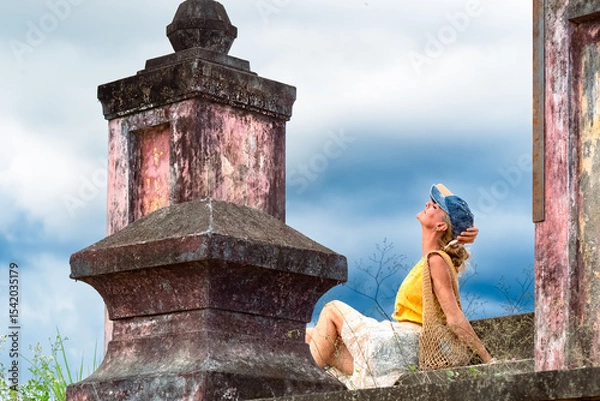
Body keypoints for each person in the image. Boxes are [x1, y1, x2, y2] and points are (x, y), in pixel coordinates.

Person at [305, 184, 493, 389]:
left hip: (404, 342)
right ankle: (302, 388)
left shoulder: (437, 260)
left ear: (441, 226)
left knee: (332, 309)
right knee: (308, 336)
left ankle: (301, 388)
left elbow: (454, 317)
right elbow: (442, 192)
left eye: (435, 206)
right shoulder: (431, 260)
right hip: (395, 347)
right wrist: (465, 231)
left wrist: (488, 359)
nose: (427, 204)